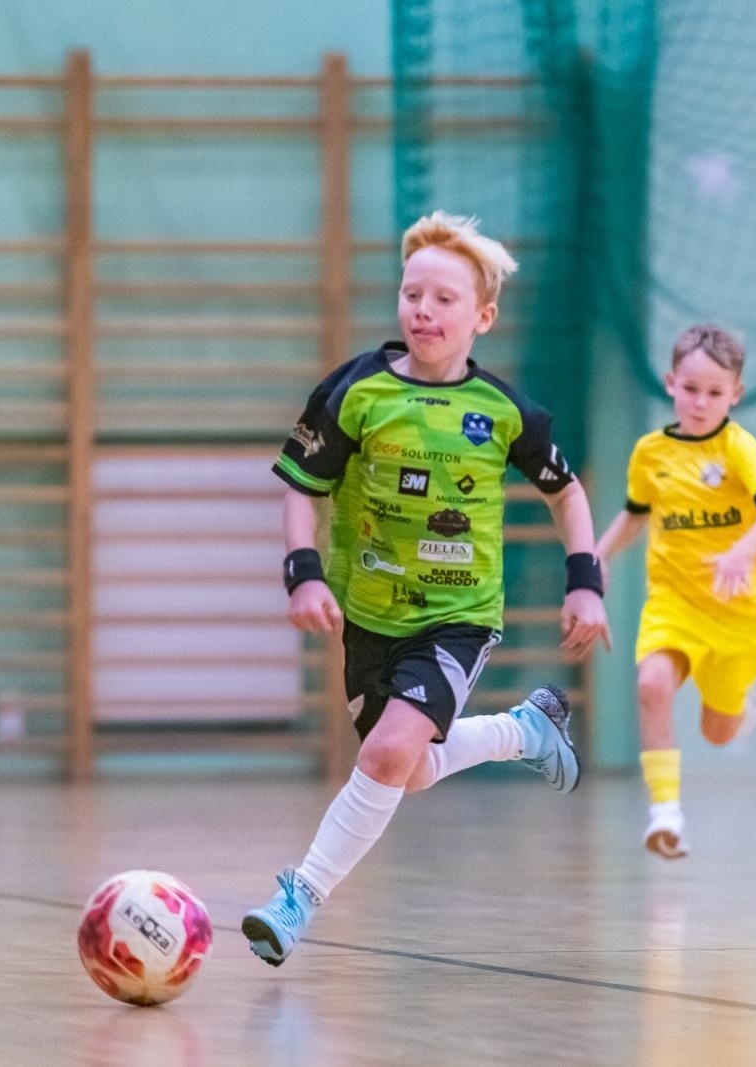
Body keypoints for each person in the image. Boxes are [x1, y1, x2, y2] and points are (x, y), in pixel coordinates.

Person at [242, 211, 610, 966]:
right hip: (370, 617)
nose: (422, 309)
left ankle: (298, 896)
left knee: (383, 757)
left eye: (444, 299)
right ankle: (524, 730)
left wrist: (586, 582)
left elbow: (567, 492)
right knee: (403, 772)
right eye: (412, 293)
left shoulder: (505, 412)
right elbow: (300, 489)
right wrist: (303, 571)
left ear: (482, 316)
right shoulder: (356, 391)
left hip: (457, 617)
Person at [594, 324, 756, 859]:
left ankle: (739, 706)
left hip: (736, 612)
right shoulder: (650, 453)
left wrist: (742, 552)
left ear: (735, 394)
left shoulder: (739, 449)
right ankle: (666, 815)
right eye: (691, 388)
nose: (701, 402)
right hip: (673, 603)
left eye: (715, 392)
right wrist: (598, 554)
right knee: (652, 683)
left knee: (718, 732)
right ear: (671, 382)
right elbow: (635, 516)